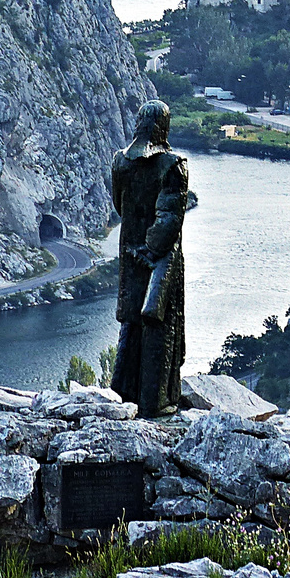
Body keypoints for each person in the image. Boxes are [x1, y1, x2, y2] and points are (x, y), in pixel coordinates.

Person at [108, 100, 188, 416]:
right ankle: (156, 401)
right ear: (163, 127)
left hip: (130, 253)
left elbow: (120, 206)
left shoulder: (120, 163)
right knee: (160, 323)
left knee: (132, 323)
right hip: (160, 260)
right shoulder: (173, 165)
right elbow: (170, 216)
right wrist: (152, 251)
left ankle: (126, 394)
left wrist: (137, 245)